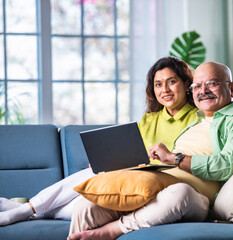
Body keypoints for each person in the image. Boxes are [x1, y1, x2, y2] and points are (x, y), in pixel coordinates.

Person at [67, 62, 233, 240]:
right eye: (197, 86)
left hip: (195, 198)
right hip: (157, 187)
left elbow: (226, 165)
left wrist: (174, 158)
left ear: (231, 88)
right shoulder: (196, 123)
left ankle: (114, 230)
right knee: (87, 207)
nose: (203, 91)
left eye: (212, 83)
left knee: (180, 192)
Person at [0, 56, 198, 226]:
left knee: (89, 189)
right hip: (133, 181)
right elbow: (133, 154)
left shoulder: (198, 118)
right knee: (93, 174)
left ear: (186, 84)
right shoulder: (150, 119)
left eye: (171, 81)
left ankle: (25, 209)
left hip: (163, 187)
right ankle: (28, 210)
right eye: (158, 84)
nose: (165, 89)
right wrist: (109, 160)